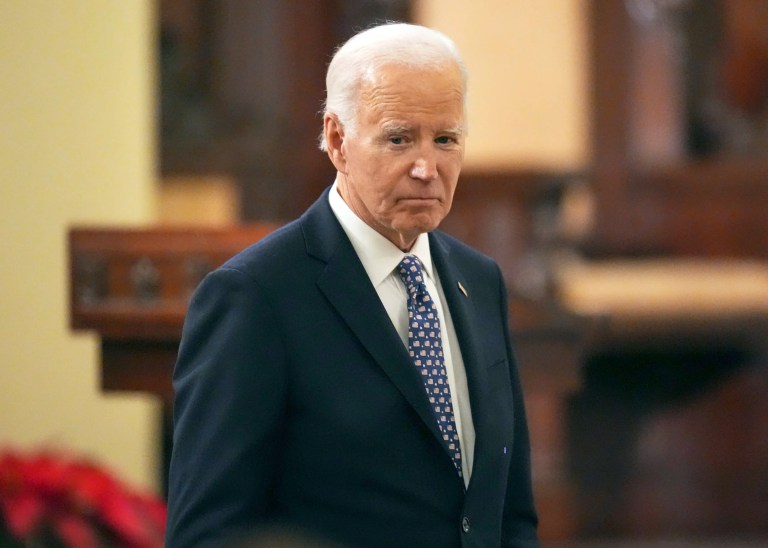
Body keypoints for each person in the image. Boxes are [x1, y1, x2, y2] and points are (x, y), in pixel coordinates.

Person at [165, 22, 539, 548]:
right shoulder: (254, 296)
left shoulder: (479, 280)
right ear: (338, 140)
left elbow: (510, 514)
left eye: (446, 139)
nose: (427, 168)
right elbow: (207, 533)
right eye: (399, 138)